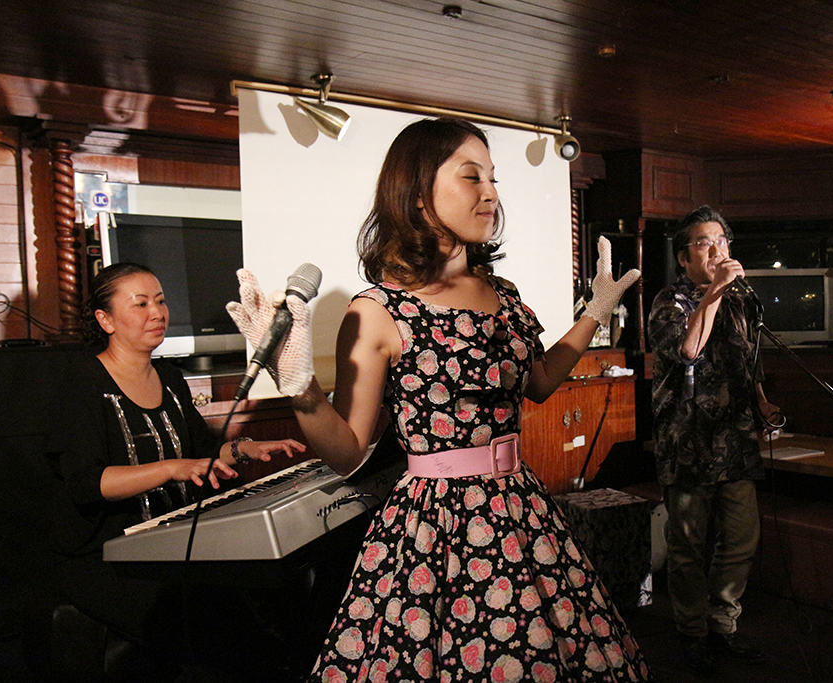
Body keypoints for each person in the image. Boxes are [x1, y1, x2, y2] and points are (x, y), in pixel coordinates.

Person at [227, 117, 652, 681]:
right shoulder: (377, 310)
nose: (491, 193)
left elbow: (541, 381)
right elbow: (348, 452)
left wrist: (594, 313)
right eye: (472, 177)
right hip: (435, 523)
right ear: (418, 197)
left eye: (494, 179)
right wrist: (299, 388)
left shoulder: (504, 294)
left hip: (520, 505)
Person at [52, 262, 306, 680]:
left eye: (161, 301)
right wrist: (170, 469)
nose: (157, 312)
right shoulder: (82, 382)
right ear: (105, 320)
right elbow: (87, 482)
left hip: (175, 540)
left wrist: (244, 448)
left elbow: (202, 454)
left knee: (276, 597)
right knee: (213, 627)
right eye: (140, 304)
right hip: (110, 556)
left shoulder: (170, 376)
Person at [647, 205, 779, 674]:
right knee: (687, 546)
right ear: (684, 258)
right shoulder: (669, 301)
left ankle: (723, 623)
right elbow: (687, 349)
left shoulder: (740, 300)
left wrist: (762, 402)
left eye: (722, 241)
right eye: (705, 243)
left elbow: (748, 360)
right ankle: (692, 632)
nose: (717, 250)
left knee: (742, 538)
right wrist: (714, 293)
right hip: (687, 441)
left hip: (735, 439)